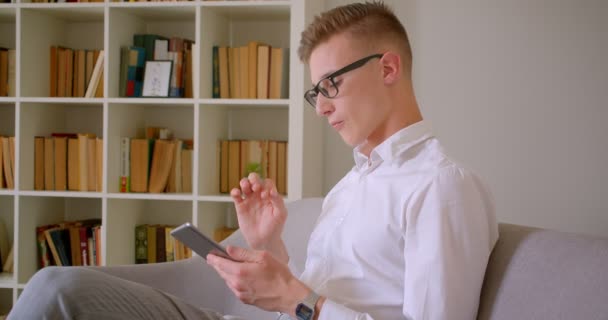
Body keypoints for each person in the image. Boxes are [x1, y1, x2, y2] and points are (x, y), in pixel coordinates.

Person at [9, 2, 498, 320]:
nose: (322, 106)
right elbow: (311, 296)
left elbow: (304, 304)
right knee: (59, 285)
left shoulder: (442, 186)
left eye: (332, 85)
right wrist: (270, 246)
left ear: (388, 67)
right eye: (316, 92)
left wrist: (294, 297)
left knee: (58, 289)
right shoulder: (352, 183)